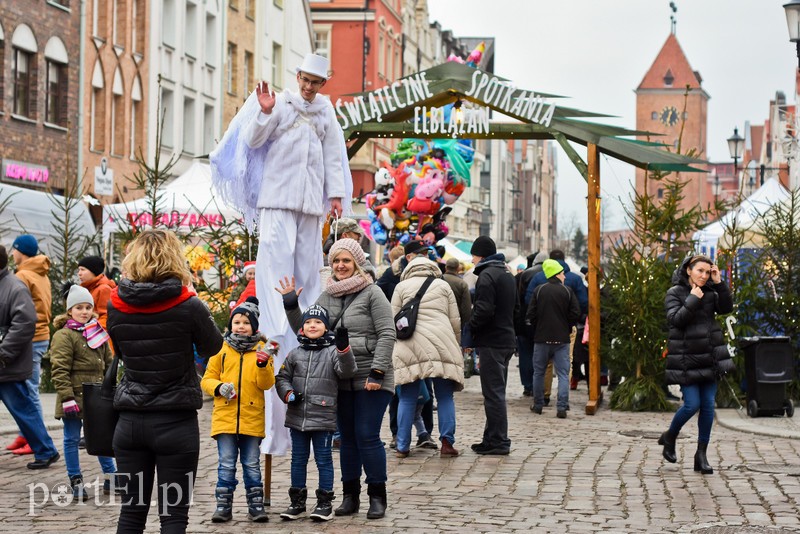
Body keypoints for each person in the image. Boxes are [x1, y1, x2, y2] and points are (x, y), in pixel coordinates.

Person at [211, 52, 351, 457]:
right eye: (305, 80)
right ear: (298, 77)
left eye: (316, 82)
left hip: (309, 202)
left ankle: (306, 314)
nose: (309, 88)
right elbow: (254, 140)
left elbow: (334, 158)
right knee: (274, 255)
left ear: (324, 84)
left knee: (308, 262)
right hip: (276, 199)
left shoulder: (326, 114)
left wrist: (337, 194)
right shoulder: (282, 104)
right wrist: (264, 112)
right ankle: (274, 317)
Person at [107, 229, 224, 533]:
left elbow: (118, 350)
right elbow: (213, 346)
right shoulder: (189, 305)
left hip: (130, 422)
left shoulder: (115, 304)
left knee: (131, 514)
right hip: (175, 422)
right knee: (173, 516)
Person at [276, 238, 395, 519]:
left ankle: (377, 495)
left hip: (371, 377)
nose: (341, 266)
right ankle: (349, 496)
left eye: (346, 261)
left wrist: (378, 372)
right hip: (340, 378)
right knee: (348, 439)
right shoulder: (327, 295)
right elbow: (308, 329)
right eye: (336, 261)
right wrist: (291, 304)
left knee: (367, 435)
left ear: (357, 264)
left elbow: (387, 333)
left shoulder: (372, 293)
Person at [275, 304, 356, 522]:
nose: (312, 325)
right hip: (297, 416)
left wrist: (344, 349)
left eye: (318, 322)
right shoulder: (295, 353)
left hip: (323, 415)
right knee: (298, 460)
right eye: (308, 322)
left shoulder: (332, 352)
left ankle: (324, 502)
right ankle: (297, 501)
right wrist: (288, 394)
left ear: (326, 327)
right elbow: (281, 378)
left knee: (323, 460)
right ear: (302, 328)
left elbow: (347, 371)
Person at [201, 297, 277, 523]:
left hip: (252, 419)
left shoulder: (262, 351)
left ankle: (255, 506)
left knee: (252, 464)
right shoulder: (220, 350)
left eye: (246, 322)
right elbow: (206, 380)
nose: (241, 326)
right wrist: (218, 387)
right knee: (226, 463)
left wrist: (263, 366)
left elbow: (266, 384)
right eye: (237, 322)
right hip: (225, 418)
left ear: (254, 326)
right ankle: (223, 506)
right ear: (231, 325)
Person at [659, 255, 734, 475]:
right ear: (688, 270)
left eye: (706, 271)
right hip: (686, 359)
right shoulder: (674, 293)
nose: (703, 275)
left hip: (709, 357)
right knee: (692, 405)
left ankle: (701, 455)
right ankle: (670, 435)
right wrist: (692, 298)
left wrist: (719, 283)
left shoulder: (711, 292)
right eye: (699, 271)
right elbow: (676, 321)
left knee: (708, 406)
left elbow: (726, 308)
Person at [391, 256, 464, 458]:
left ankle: (403, 446)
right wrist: (456, 343)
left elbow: (392, 319)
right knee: (445, 397)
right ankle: (447, 443)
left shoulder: (402, 287)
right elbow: (454, 320)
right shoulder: (443, 285)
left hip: (410, 343)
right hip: (442, 342)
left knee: (407, 398)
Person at [49, 285, 116, 499]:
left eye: (88, 307)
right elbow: (59, 368)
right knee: (71, 439)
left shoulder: (97, 332)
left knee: (102, 437)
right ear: (70, 310)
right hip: (74, 397)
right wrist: (67, 397)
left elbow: (108, 364)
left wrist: (112, 387)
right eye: (79, 307)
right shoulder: (64, 335)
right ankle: (76, 480)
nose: (84, 312)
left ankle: (111, 477)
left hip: (97, 397)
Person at [0, 245, 61, 469]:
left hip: (7, 364)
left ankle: (46, 449)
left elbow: (25, 322)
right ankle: (45, 449)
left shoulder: (14, 286)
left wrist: (3, 354)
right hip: (7, 361)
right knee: (23, 408)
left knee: (23, 409)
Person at [468, 236, 516, 455]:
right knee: (496, 392)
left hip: (492, 341)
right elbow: (517, 308)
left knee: (493, 394)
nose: (472, 259)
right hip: (505, 339)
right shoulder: (506, 273)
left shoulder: (487, 275)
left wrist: (472, 327)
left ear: (482, 255)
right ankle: (490, 438)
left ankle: (498, 441)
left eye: (474, 255)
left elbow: (484, 310)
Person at [6, 234, 52, 455]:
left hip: (30, 338)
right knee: (26, 389)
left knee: (29, 390)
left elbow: (22, 313)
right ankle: (25, 434)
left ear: (20, 251)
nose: (12, 254)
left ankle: (34, 439)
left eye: (14, 250)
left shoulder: (23, 275)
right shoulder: (39, 272)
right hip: (40, 335)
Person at [525, 249, 587, 405]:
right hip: (562, 336)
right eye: (562, 273)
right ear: (557, 273)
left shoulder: (539, 290)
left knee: (539, 372)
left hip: (541, 336)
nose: (564, 276)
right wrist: (568, 324)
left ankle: (539, 403)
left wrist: (537, 325)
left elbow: (530, 312)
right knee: (563, 373)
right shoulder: (567, 290)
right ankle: (562, 404)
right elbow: (576, 311)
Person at [514, 252, 547, 396]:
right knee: (541, 354)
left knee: (525, 353)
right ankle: (539, 385)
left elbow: (518, 299)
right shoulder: (549, 274)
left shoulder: (524, 275)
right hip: (542, 320)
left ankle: (527, 384)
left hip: (524, 319)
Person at [77, 255, 116, 329]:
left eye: (83, 269)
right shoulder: (88, 288)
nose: (79, 273)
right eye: (78, 270)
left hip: (97, 336)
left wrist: (90, 331)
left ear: (93, 271)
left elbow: (106, 317)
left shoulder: (103, 289)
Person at [442, 258, 472, 329]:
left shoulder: (438, 280)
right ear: (458, 268)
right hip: (456, 321)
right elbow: (466, 308)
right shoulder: (462, 283)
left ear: (446, 267)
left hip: (441, 319)